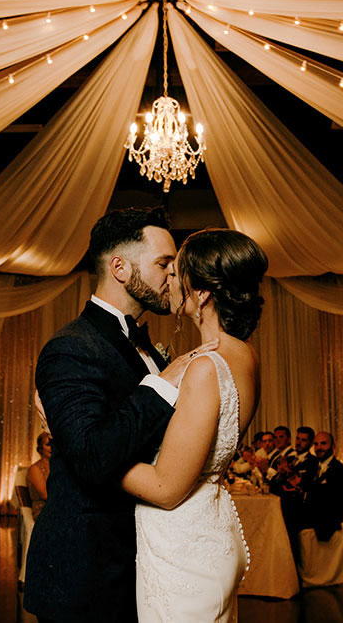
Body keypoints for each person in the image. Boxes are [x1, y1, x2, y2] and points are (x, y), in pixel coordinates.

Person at [24, 207, 213, 623]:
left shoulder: (141, 344)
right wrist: (163, 384)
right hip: (87, 570)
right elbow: (91, 457)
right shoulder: (71, 347)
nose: (173, 277)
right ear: (120, 267)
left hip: (137, 561)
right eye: (164, 263)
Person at [121, 228, 269, 622]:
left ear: (201, 292)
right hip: (207, 531)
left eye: (176, 272)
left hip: (182, 547)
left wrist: (86, 449)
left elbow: (166, 489)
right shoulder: (245, 355)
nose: (168, 280)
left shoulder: (206, 367)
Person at [302, 431, 343, 541]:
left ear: (333, 446)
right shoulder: (312, 466)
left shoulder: (339, 470)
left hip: (327, 517)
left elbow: (336, 499)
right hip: (311, 512)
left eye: (323, 443)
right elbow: (305, 486)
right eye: (316, 444)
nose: (319, 447)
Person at [26, 431, 51, 521]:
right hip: (43, 511)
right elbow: (45, 495)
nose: (52, 448)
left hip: (59, 508)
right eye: (48, 445)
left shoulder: (59, 467)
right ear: (40, 448)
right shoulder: (35, 469)